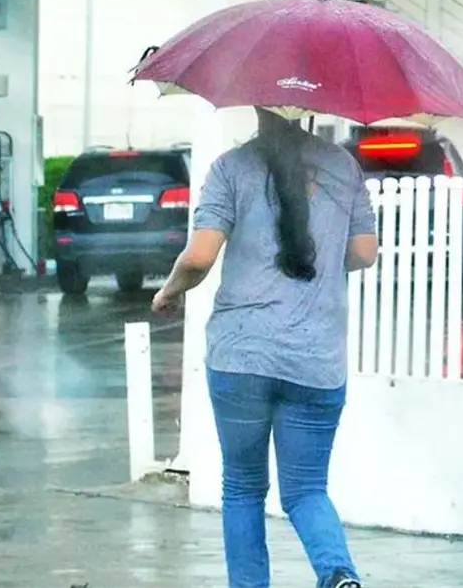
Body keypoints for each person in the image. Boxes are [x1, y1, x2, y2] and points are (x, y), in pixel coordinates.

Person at [152, 107, 378, 588]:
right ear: (312, 106)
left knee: (243, 488)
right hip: (315, 361)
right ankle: (337, 573)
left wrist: (170, 291)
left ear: (255, 105)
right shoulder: (343, 166)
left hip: (241, 357)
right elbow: (363, 253)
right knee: (306, 490)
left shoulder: (231, 168)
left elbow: (199, 256)